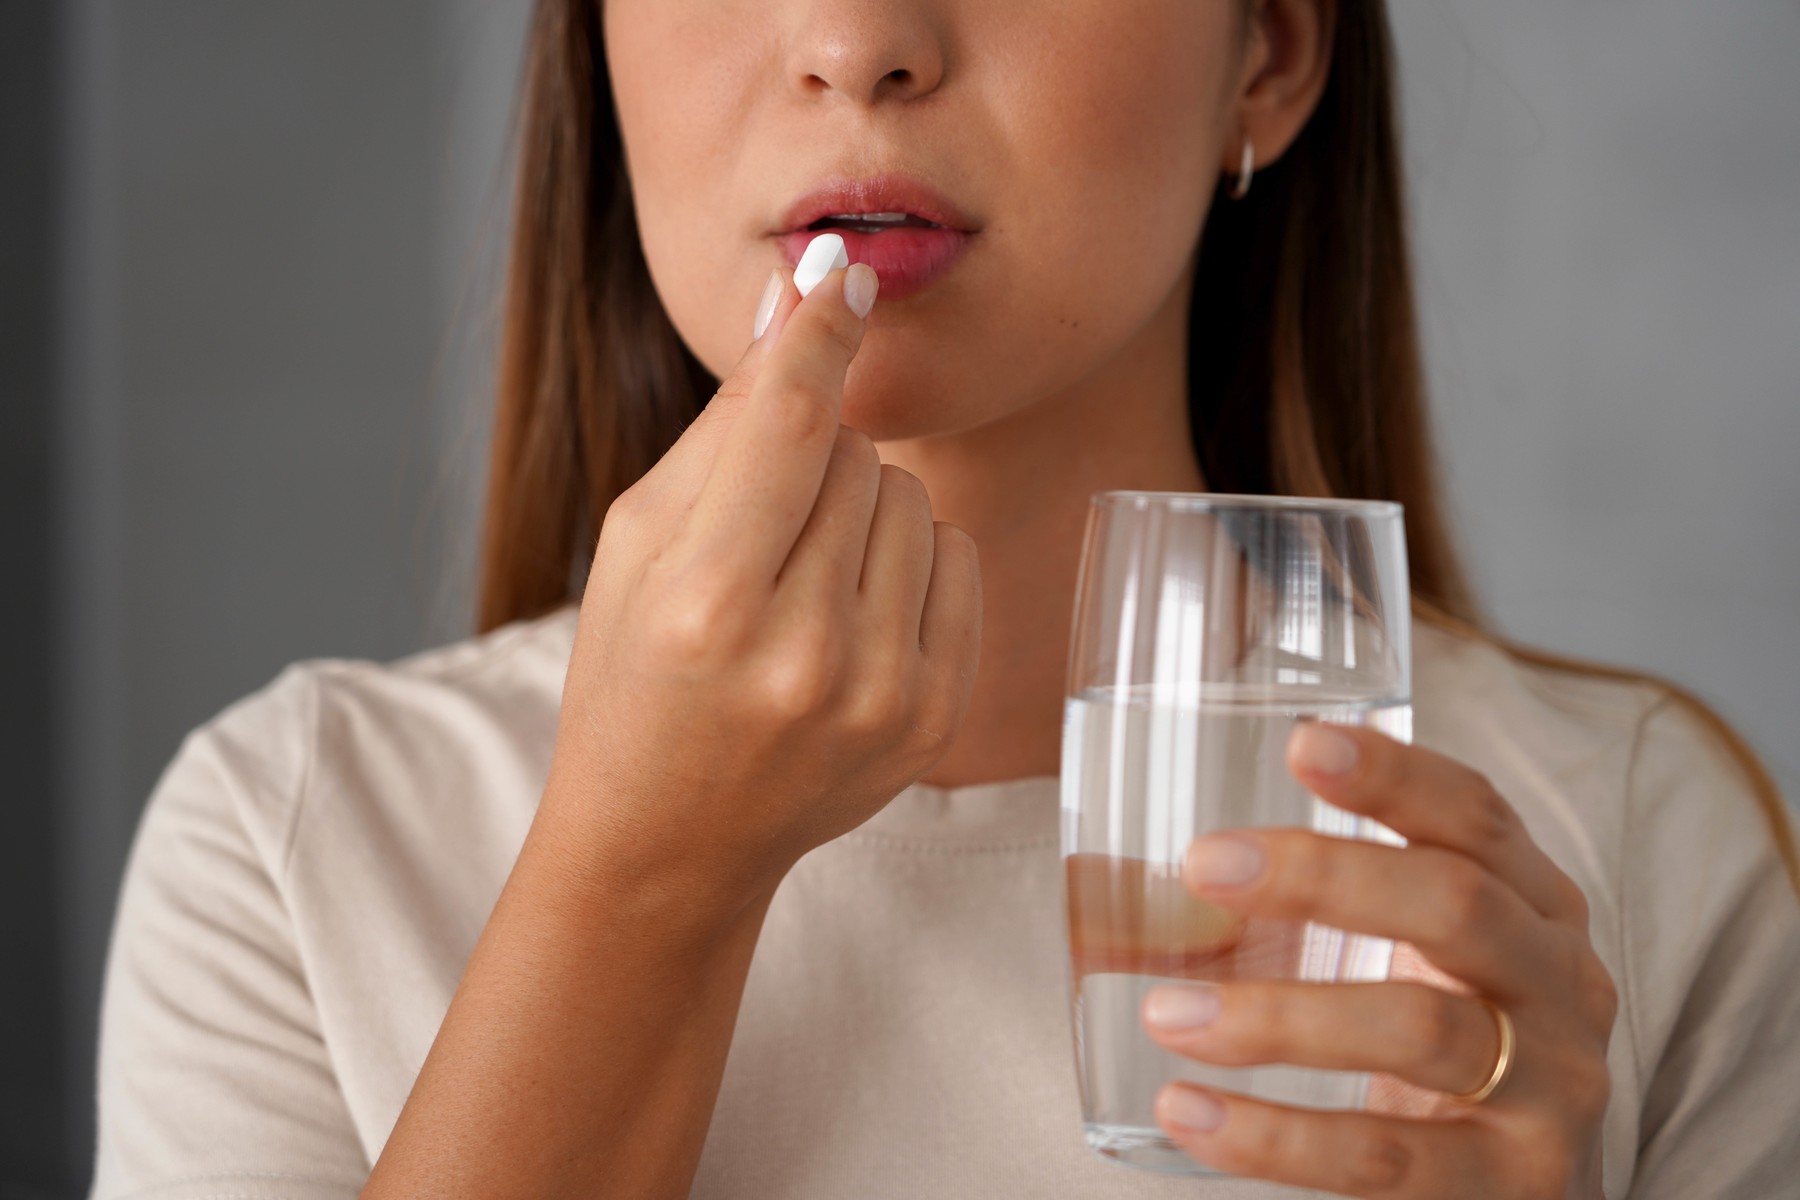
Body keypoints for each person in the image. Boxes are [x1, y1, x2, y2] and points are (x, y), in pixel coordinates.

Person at [89, 0, 1800, 1197]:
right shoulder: (291, 839)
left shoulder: (1629, 856)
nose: (857, 38)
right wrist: (637, 880)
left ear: (1265, 57)